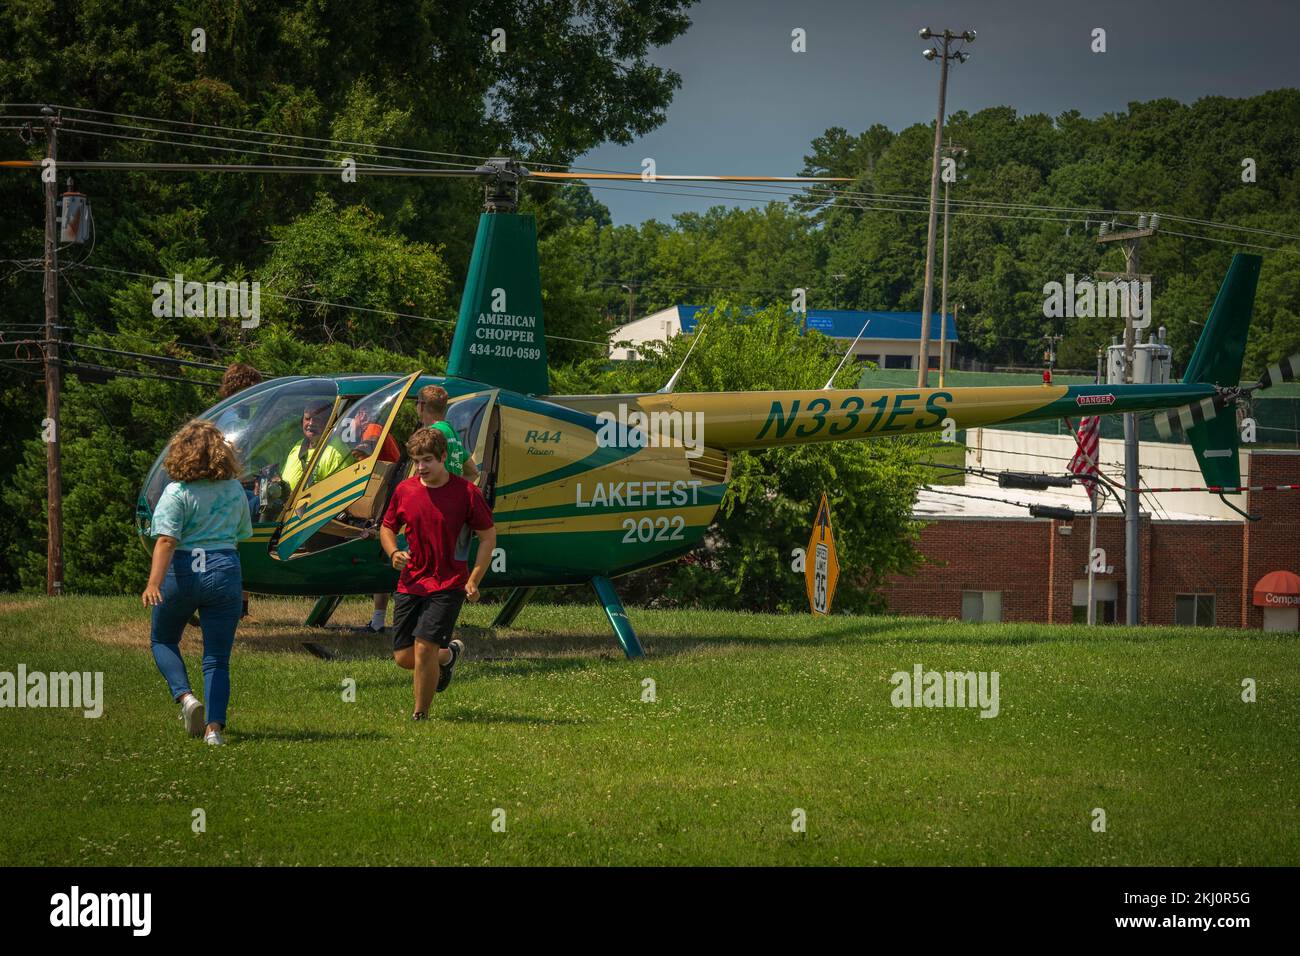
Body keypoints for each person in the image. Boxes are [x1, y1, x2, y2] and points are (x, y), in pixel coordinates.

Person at [142, 419, 253, 746]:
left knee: (162, 640)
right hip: (224, 569)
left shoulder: (176, 492)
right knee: (217, 657)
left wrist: (153, 583)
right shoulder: (235, 489)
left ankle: (186, 698)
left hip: (183, 571)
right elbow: (243, 534)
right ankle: (214, 731)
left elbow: (166, 541)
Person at [380, 427, 495, 720]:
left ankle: (421, 714)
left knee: (423, 648)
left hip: (448, 583)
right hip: (411, 582)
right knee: (404, 657)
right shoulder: (405, 491)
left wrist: (474, 579)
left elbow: (488, 537)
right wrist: (394, 552)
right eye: (416, 461)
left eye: (428, 460)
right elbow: (387, 527)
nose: (421, 467)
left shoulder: (467, 493)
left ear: (443, 457)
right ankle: (449, 655)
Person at [347, 404, 402, 632]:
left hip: (386, 502)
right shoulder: (374, 430)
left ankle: (386, 621)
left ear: (361, 415)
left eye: (351, 418)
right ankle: (378, 622)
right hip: (385, 500)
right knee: (382, 563)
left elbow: (362, 458)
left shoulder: (372, 429)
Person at [281, 399, 349, 491]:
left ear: (328, 422)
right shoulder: (299, 445)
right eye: (307, 419)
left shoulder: (336, 452)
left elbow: (339, 494)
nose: (311, 423)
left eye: (317, 419)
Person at [416, 385, 479, 482]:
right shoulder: (450, 431)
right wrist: (454, 491)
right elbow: (473, 472)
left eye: (417, 403)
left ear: (422, 406)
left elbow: (421, 473)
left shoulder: (431, 433)